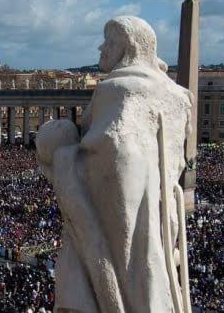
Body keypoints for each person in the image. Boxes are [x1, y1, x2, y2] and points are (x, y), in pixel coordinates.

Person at [37, 16, 193, 312]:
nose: (101, 47)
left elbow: (107, 150)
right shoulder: (176, 94)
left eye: (108, 42)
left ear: (127, 46)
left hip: (116, 211)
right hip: (161, 205)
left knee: (125, 272)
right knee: (152, 268)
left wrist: (61, 154)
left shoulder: (117, 89)